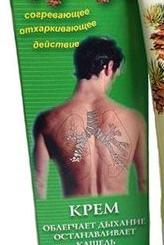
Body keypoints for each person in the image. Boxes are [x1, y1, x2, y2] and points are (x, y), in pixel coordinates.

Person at [33, 36, 146, 198]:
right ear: (109, 67)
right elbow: (144, 182)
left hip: (75, 213)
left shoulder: (48, 120)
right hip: (119, 212)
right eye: (115, 74)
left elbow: (38, 184)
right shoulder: (134, 120)